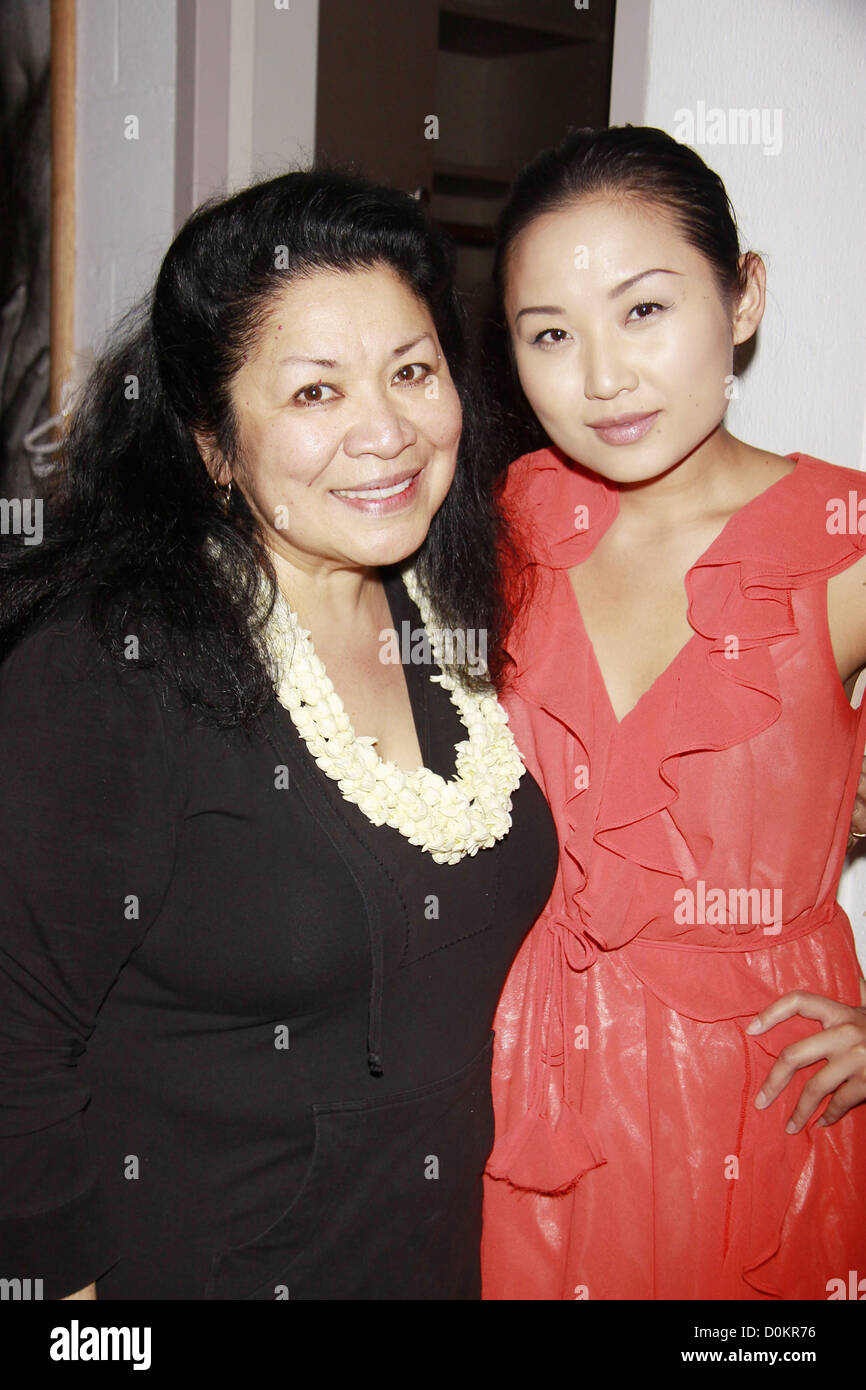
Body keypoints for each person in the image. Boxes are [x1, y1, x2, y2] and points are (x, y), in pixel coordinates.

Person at [0, 169, 559, 1300]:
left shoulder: (454, 622)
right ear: (210, 443)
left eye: (411, 371)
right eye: (314, 393)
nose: (386, 431)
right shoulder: (113, 667)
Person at [480, 126, 866, 1300]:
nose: (599, 378)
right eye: (550, 334)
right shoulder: (507, 522)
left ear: (740, 296)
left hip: (759, 1100)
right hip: (536, 1092)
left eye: (643, 310)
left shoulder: (842, 543)